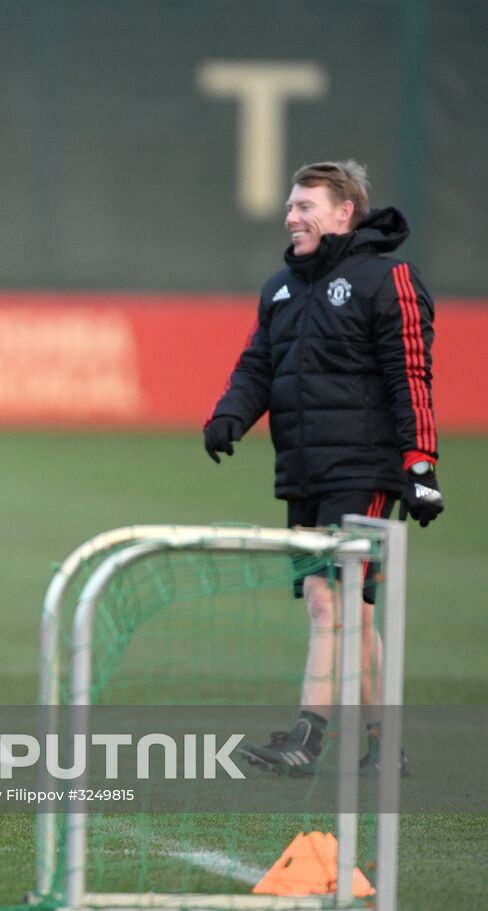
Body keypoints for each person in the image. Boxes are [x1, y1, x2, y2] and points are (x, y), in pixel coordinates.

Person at [204, 160, 442, 779]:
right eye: (290, 206)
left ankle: (307, 738)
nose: (291, 216)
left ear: (344, 212)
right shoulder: (281, 288)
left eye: (304, 206)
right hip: (304, 473)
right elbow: (258, 366)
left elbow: (410, 375)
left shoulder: (387, 280)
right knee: (352, 611)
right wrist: (230, 416)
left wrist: (420, 465)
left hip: (363, 471)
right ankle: (384, 745)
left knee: (326, 598)